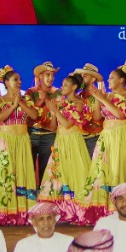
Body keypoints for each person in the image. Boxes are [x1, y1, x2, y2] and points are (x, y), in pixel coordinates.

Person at [38, 71, 100, 224]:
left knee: (75, 173)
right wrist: (53, 112)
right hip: (60, 141)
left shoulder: (79, 103)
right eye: (62, 85)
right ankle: (62, 210)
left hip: (73, 142)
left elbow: (67, 124)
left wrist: (55, 110)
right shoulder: (60, 103)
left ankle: (78, 210)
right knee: (60, 174)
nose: (62, 87)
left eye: (65, 85)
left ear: (74, 87)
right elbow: (54, 127)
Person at [83, 67, 126, 211]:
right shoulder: (107, 96)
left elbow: (120, 114)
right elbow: (97, 117)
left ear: (121, 80)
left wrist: (102, 99)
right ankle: (106, 206)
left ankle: (124, 206)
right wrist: (98, 99)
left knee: (120, 168)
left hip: (122, 135)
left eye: (112, 78)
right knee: (104, 170)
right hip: (107, 136)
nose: (108, 80)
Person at [0, 66, 37, 223]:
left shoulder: (26, 100)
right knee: (5, 172)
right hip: (6, 140)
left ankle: (22, 210)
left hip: (22, 141)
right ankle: (3, 210)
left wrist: (20, 103)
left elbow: (34, 116)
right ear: (6, 83)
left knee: (22, 172)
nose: (19, 82)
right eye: (15, 79)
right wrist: (13, 106)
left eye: (20, 79)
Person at [26, 61, 61, 187]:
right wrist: (41, 101)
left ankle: (44, 193)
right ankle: (29, 193)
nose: (50, 78)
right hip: (32, 133)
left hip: (49, 134)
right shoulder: (30, 92)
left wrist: (46, 98)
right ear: (40, 76)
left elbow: (57, 112)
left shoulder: (58, 93)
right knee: (28, 166)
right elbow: (30, 113)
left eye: (52, 75)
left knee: (46, 167)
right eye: (47, 75)